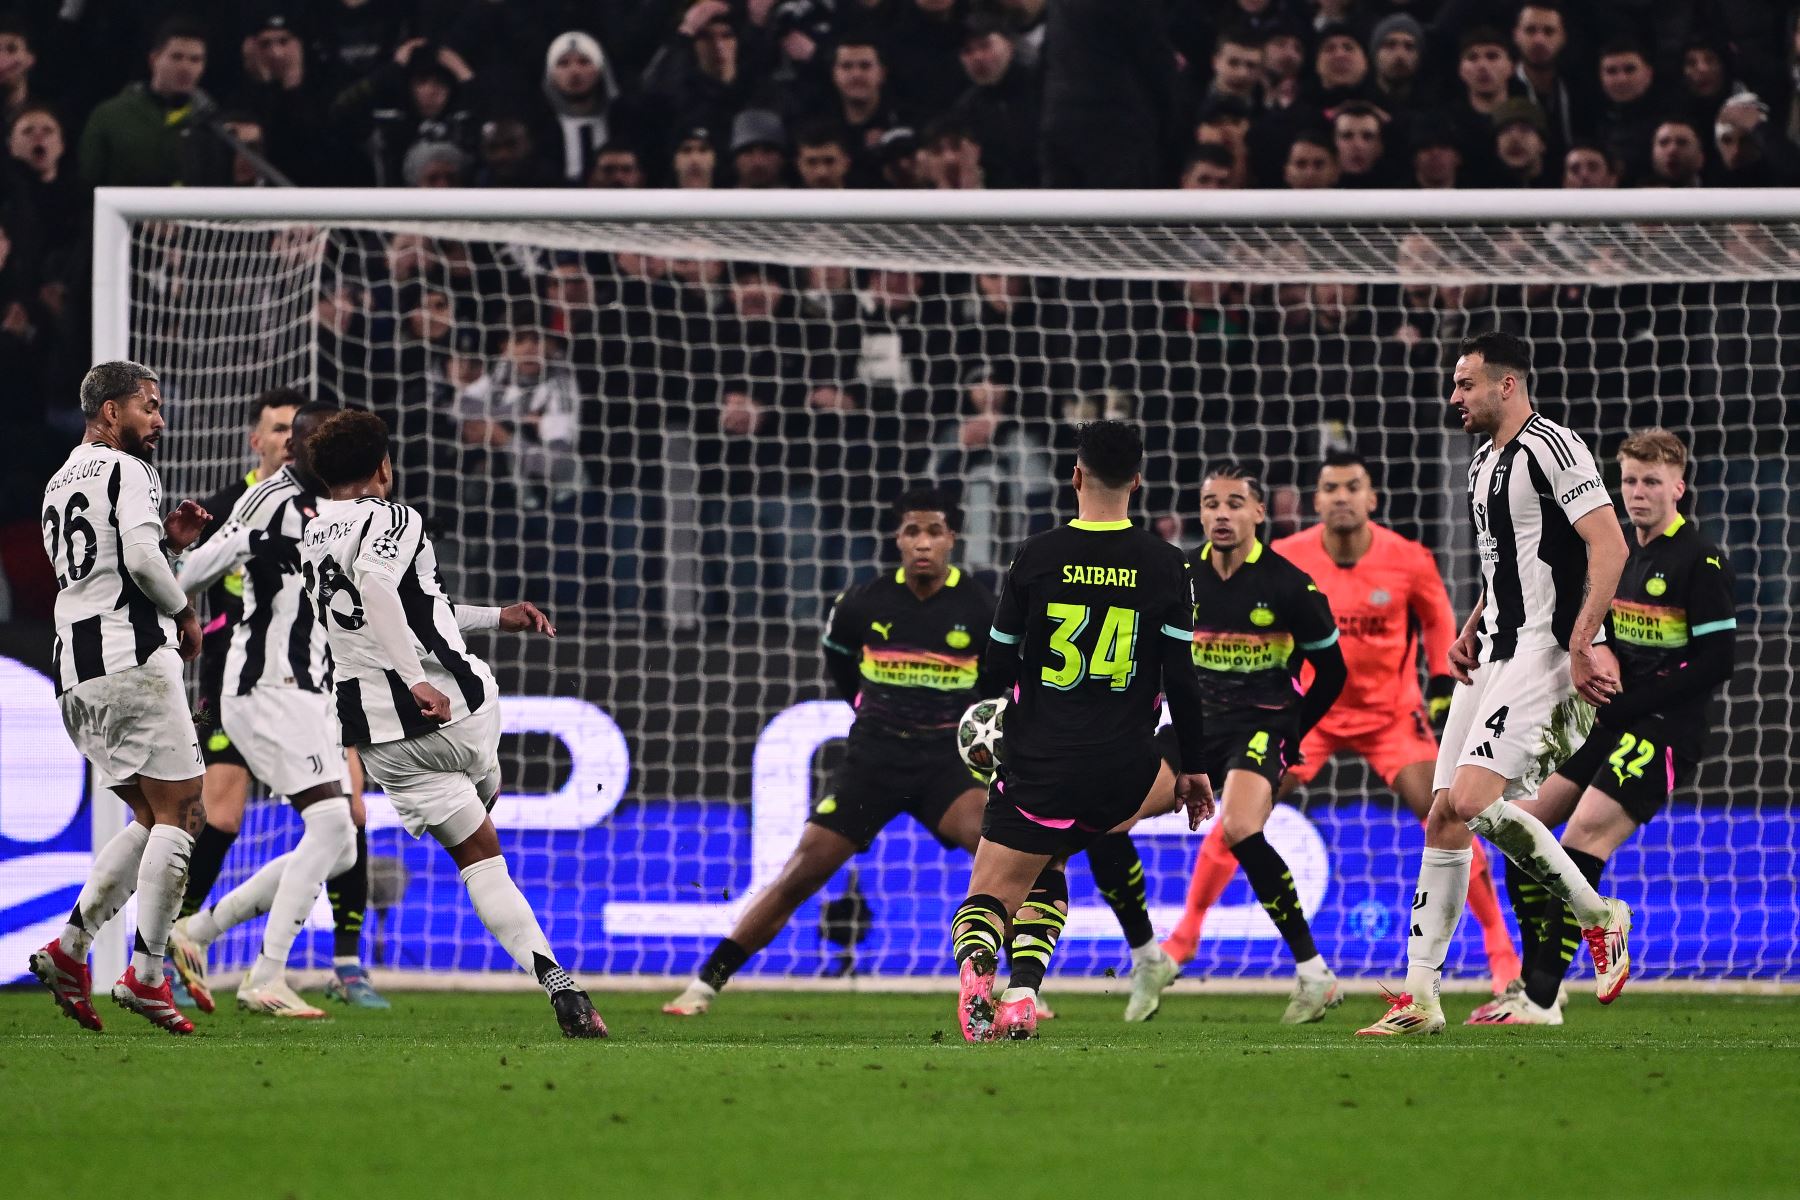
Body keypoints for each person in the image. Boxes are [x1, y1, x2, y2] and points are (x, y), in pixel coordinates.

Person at [1160, 452, 1521, 996]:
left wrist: (1446, 718)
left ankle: (1501, 953)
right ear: (1316, 500)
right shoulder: (1286, 558)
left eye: (1354, 486)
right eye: (1331, 487)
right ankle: (1182, 940)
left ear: (1372, 498)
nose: (1342, 496)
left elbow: (1441, 640)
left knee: (1449, 812)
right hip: (1308, 714)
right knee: (1238, 817)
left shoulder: (1411, 559)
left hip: (1391, 717)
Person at [297, 408, 605, 1037]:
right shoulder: (392, 516)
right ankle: (485, 784)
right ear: (383, 466)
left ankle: (558, 982)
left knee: (480, 860)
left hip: (379, 740)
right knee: (482, 773)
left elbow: (410, 610)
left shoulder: (314, 534)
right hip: (453, 708)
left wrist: (496, 616)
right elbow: (384, 593)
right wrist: (416, 680)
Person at [1358, 330, 1632, 1037]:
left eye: (1466, 384)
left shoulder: (1555, 447)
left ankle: (1598, 914)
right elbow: (1504, 563)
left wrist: (1581, 642)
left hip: (1549, 653)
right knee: (1445, 814)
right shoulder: (1483, 463)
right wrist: (1472, 623)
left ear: (1507, 385)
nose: (1455, 397)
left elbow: (1609, 543)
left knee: (1475, 803)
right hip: (1497, 654)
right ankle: (1420, 998)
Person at [663, 490, 1009, 1016]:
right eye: (912, 531)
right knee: (801, 873)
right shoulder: (861, 604)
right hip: (873, 764)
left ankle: (1026, 986)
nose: (922, 543)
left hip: (945, 767)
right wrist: (875, 713)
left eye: (934, 531)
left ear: (951, 539)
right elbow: (843, 670)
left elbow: (997, 684)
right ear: (897, 538)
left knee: (1007, 854)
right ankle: (703, 986)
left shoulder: (982, 606)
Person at [950, 420, 1213, 1042]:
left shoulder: (1036, 556)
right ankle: (1019, 998)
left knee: (986, 896)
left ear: (1075, 475)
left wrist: (989, 732)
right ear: (1138, 481)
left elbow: (996, 668)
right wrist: (1195, 769)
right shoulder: (1166, 564)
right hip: (1123, 774)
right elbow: (1183, 681)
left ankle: (979, 975)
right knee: (1055, 860)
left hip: (1040, 761)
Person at [1480, 429, 1737, 1025]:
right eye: (1629, 481)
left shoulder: (1700, 560)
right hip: (1605, 715)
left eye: (1651, 481)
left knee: (1584, 840)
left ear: (1679, 485)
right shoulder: (1617, 550)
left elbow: (1718, 663)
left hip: (1665, 727)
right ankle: (1538, 978)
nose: (1638, 493)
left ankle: (1541, 997)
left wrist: (1634, 700)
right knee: (1519, 828)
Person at [167, 401, 385, 1018]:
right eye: (300, 439)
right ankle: (265, 975)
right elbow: (205, 564)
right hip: (267, 687)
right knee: (329, 828)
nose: (305, 449)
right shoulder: (270, 502)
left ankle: (198, 933)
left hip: (309, 693)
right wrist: (165, 593)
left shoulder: (333, 511)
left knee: (340, 844)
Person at [29, 361, 210, 1035]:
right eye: (148, 407)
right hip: (130, 658)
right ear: (109, 412)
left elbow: (113, 557)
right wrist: (185, 610)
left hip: (76, 669)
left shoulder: (58, 480)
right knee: (184, 811)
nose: (158, 420)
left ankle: (70, 950)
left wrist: (170, 543)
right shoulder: (128, 471)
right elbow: (135, 560)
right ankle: (148, 974)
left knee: (149, 815)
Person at [1143, 465, 1348, 1023]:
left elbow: (1332, 672)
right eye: (1211, 503)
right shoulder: (1178, 575)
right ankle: (1145, 955)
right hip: (1191, 726)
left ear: (1260, 512)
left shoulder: (1289, 585)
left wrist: (1295, 732)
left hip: (1262, 724)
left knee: (1237, 828)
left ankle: (1313, 973)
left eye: (1235, 503)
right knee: (1109, 814)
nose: (1221, 514)